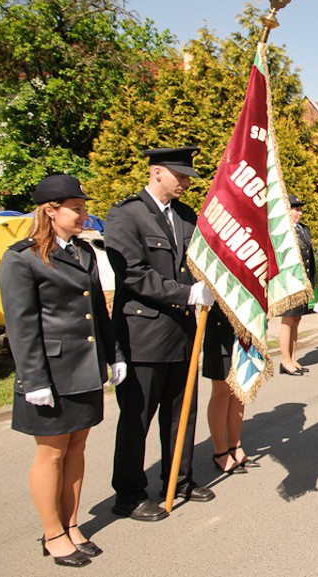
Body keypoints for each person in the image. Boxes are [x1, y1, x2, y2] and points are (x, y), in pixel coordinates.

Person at [0, 174, 125, 567]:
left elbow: (97, 313)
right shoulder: (22, 258)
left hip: (84, 368)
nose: (84, 214)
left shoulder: (83, 253)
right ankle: (52, 533)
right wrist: (33, 380)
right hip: (50, 373)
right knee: (51, 454)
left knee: (77, 448)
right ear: (50, 211)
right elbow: (21, 326)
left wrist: (114, 353)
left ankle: (71, 524)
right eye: (77, 208)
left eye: (84, 207)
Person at [106, 146, 215, 522]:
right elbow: (132, 273)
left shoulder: (186, 216)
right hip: (144, 334)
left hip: (184, 332)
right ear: (156, 173)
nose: (186, 182)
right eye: (180, 175)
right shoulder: (127, 214)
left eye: (188, 177)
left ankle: (179, 479)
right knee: (137, 418)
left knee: (179, 414)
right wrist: (185, 293)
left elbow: (201, 260)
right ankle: (129, 493)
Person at [204, 304, 258, 474]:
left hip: (246, 328)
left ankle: (235, 445)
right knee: (222, 391)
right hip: (222, 327)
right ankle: (219, 450)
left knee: (239, 391)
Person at [278, 194, 316, 376]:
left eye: (300, 210)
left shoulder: (303, 229)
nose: (299, 213)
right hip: (288, 282)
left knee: (297, 320)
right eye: (296, 209)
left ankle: (293, 357)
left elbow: (310, 259)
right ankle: (285, 360)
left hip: (302, 282)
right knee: (288, 320)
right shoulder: (282, 231)